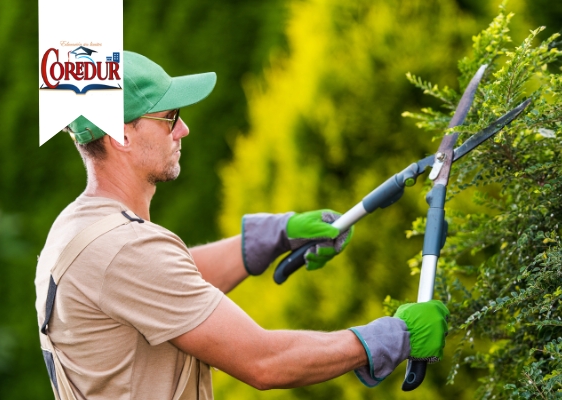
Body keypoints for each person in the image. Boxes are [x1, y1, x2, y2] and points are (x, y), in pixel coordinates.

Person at [34, 51, 449, 399]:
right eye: (169, 116)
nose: (184, 129)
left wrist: (273, 236)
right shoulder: (124, 249)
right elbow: (265, 362)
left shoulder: (79, 229)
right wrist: (392, 337)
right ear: (122, 135)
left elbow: (165, 284)